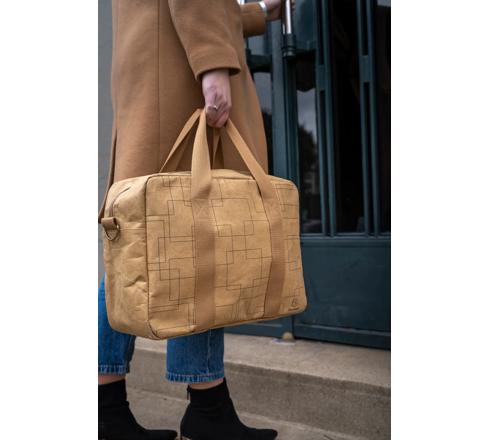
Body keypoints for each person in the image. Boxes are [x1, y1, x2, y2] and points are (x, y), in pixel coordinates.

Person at [99, 1, 290, 439]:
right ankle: (206, 410)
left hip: (157, 79)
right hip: (180, 83)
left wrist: (260, 13)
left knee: (140, 254)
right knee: (194, 244)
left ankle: (109, 406)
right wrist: (213, 64)